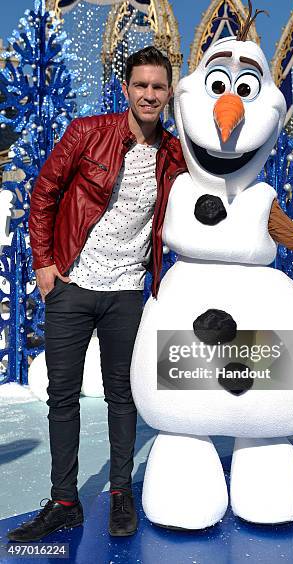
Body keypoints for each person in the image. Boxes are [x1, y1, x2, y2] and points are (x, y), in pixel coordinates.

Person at [7, 46, 187, 542]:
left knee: (121, 396)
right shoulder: (88, 133)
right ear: (126, 88)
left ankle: (120, 492)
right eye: (141, 85)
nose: (149, 94)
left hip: (128, 292)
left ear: (169, 93)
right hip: (72, 284)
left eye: (158, 86)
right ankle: (65, 502)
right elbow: (43, 192)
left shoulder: (173, 153)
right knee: (61, 397)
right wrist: (44, 262)